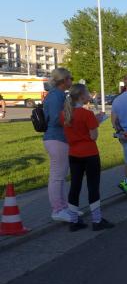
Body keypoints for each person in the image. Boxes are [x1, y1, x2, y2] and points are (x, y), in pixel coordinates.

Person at [59, 83, 114, 231]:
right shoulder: (87, 114)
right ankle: (97, 220)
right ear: (82, 96)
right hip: (90, 154)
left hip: (73, 154)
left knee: (75, 186)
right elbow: (93, 136)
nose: (89, 94)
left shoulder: (64, 114)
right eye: (87, 92)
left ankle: (73, 220)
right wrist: (96, 122)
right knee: (93, 186)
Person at [43, 67, 73, 222]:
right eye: (70, 78)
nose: (72, 81)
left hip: (58, 138)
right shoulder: (56, 96)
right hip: (56, 138)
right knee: (57, 176)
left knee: (60, 176)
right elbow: (56, 119)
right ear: (63, 80)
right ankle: (57, 210)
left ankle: (63, 207)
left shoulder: (58, 94)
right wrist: (72, 120)